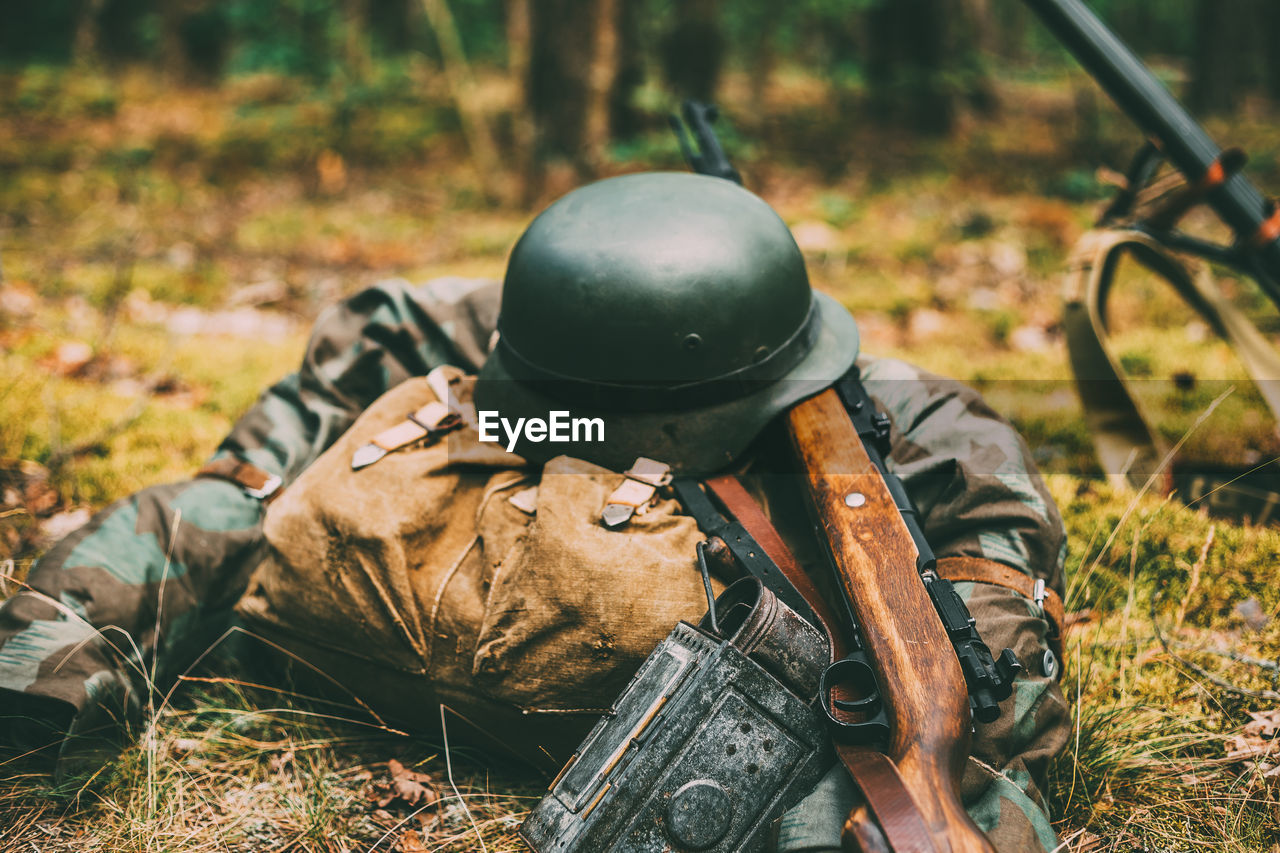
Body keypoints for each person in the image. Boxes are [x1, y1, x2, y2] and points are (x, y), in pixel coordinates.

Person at [0, 172, 1068, 851]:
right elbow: (252, 474)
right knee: (219, 520)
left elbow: (990, 654)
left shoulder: (914, 431)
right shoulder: (529, 315)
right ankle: (32, 681)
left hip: (747, 707)